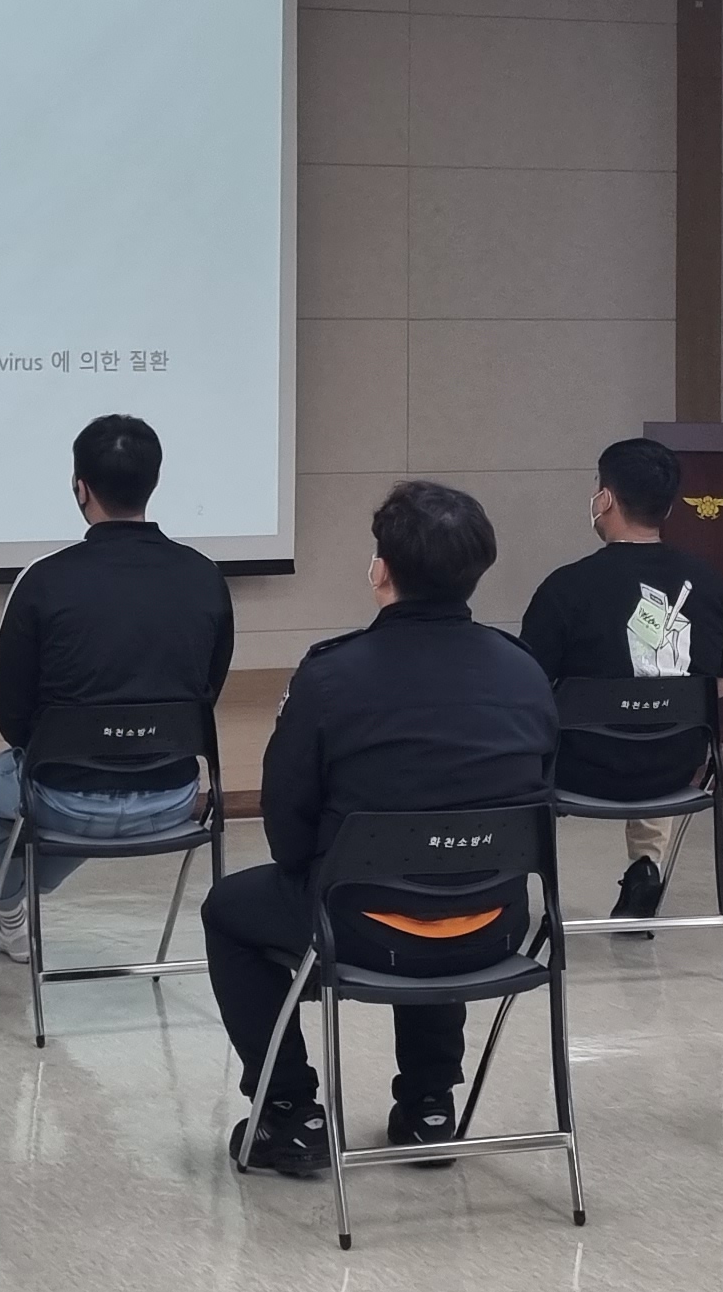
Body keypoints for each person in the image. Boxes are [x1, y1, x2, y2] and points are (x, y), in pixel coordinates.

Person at [202, 480, 557, 1179]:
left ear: (381, 570)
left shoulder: (330, 677)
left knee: (229, 912)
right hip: (495, 923)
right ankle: (430, 1104)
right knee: (443, 876)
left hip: (357, 925)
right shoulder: (526, 673)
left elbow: (286, 827)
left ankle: (289, 1111)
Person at [0, 413, 234, 959]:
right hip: (175, 797)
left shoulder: (43, 579)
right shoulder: (206, 576)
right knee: (72, 777)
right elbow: (209, 689)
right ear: (154, 481)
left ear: (80, 488)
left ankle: (4, 910)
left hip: (63, 800)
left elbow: (8, 709)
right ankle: (6, 907)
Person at [515, 434, 723, 918]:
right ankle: (647, 864)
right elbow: (720, 688)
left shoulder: (564, 588)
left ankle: (509, 886)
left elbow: (528, 690)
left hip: (578, 770)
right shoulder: (713, 585)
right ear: (668, 506)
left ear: (605, 499)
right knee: (656, 723)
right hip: (676, 770)